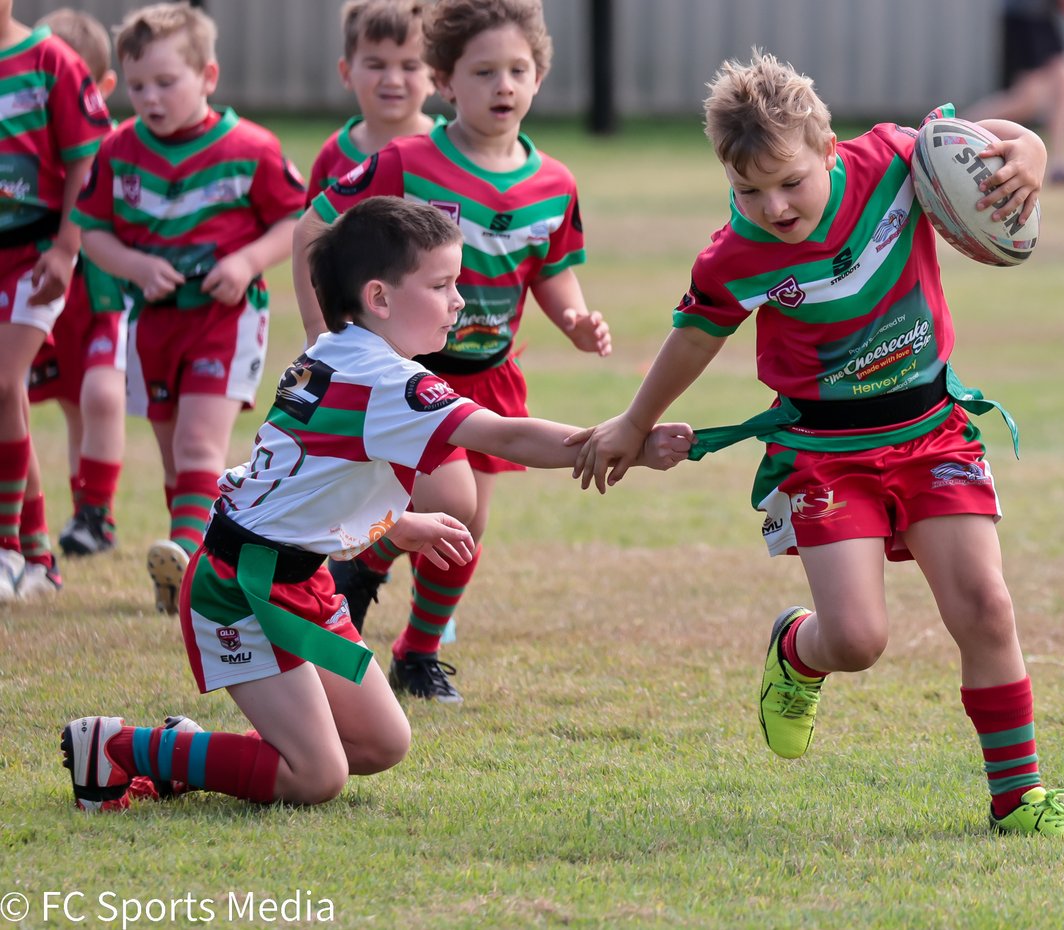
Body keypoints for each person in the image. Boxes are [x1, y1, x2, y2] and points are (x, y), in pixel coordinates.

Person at [574, 50, 1064, 839]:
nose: (774, 205)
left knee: (987, 608)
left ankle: (1019, 799)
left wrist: (1028, 150)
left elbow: (996, 137)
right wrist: (633, 420)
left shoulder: (895, 158)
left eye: (790, 181)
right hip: (824, 452)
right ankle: (797, 648)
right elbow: (694, 340)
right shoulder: (734, 256)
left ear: (827, 148)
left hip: (931, 432)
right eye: (749, 190)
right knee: (857, 640)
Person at [61, 196, 691, 811]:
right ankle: (119, 748)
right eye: (442, 285)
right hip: (243, 585)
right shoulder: (386, 379)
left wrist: (397, 521)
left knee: (380, 742)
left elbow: (310, 480)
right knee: (317, 777)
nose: (460, 301)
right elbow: (506, 434)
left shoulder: (337, 353)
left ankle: (192, 752)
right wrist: (626, 443)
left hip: (296, 579)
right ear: (379, 297)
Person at [293, 0, 611, 704]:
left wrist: (576, 318)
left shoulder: (553, 182)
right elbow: (314, 231)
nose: (503, 85)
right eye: (483, 71)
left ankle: (414, 645)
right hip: (409, 371)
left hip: (489, 372)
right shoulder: (406, 162)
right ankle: (368, 571)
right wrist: (326, 335)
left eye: (517, 70)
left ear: (539, 77)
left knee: (467, 524)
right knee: (450, 501)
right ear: (445, 81)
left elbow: (551, 268)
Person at [72, 3, 307, 614]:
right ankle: (191, 562)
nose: (150, 97)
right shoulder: (119, 149)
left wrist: (246, 262)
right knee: (174, 449)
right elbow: (91, 230)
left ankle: (188, 557)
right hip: (152, 323)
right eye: (137, 84)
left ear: (208, 75)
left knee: (202, 446)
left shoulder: (251, 147)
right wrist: (135, 266)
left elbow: (295, 220)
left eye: (166, 82)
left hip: (223, 319)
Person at [0, 0, 111, 602]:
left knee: (0, 384)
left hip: (34, 252)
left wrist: (67, 248)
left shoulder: (49, 60)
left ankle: (7, 550)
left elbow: (84, 159)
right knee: (7, 394)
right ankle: (39, 556)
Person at [27, 8, 128, 559]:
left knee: (101, 394)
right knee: (73, 405)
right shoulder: (25, 144)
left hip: (104, 291)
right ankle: (86, 515)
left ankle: (97, 514)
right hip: (49, 291)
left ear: (100, 87)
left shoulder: (108, 144)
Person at [306, 0, 435, 208]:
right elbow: (312, 234)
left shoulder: (453, 151)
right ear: (346, 73)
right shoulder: (332, 156)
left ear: (434, 77)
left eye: (410, 66)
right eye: (376, 65)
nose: (393, 80)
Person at [964, 0, 1064, 185]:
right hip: (1024, 12)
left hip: (1039, 13)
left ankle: (1060, 165)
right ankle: (953, 130)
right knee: (1027, 100)